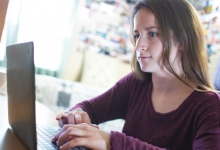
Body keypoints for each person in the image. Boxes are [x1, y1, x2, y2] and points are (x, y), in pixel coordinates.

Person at [52, 0, 220, 149]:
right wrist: (75, 117)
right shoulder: (135, 84)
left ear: (183, 40)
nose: (139, 46)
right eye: (137, 35)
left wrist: (112, 141)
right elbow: (89, 108)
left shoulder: (210, 106)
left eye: (152, 34)